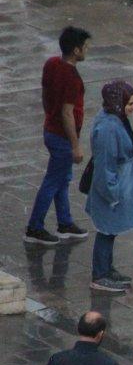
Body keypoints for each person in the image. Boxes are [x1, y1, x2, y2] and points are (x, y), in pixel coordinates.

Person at [26, 25, 92, 245]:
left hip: (50, 130)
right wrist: (75, 145)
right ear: (75, 50)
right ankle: (35, 227)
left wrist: (48, 116)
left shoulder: (51, 64)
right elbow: (67, 112)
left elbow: (46, 94)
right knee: (53, 181)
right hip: (62, 138)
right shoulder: (72, 78)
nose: (86, 50)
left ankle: (65, 222)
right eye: (84, 47)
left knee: (63, 179)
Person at [87, 81, 133, 294]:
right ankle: (100, 273)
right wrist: (113, 193)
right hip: (112, 190)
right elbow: (105, 166)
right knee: (106, 231)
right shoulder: (109, 128)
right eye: (130, 103)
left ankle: (106, 269)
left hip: (118, 186)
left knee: (111, 231)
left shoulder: (114, 120)